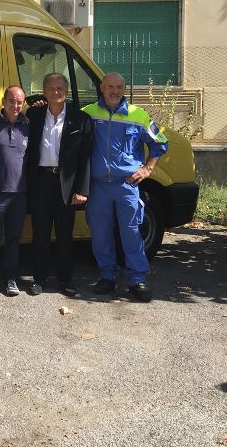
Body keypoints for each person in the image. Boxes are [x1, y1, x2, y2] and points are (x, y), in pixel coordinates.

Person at [82, 72, 168, 302]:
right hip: (99, 186)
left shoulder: (138, 115)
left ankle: (137, 280)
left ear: (124, 89)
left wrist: (147, 168)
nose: (115, 91)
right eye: (110, 86)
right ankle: (107, 276)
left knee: (131, 233)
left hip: (127, 186)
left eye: (119, 87)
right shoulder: (89, 113)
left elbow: (160, 143)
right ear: (102, 87)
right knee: (100, 234)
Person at [26, 73, 92, 298]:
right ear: (44, 91)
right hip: (40, 181)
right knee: (40, 234)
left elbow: (86, 158)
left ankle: (65, 280)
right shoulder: (34, 115)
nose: (56, 92)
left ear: (66, 90)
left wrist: (82, 190)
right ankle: (39, 279)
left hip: (66, 185)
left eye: (60, 88)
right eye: (51, 88)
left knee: (65, 235)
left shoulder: (80, 119)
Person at [0, 86, 29, 298]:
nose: (15, 105)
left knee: (13, 238)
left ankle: (10, 277)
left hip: (19, 193)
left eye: (19, 102)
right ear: (3, 101)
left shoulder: (28, 125)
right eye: (11, 101)